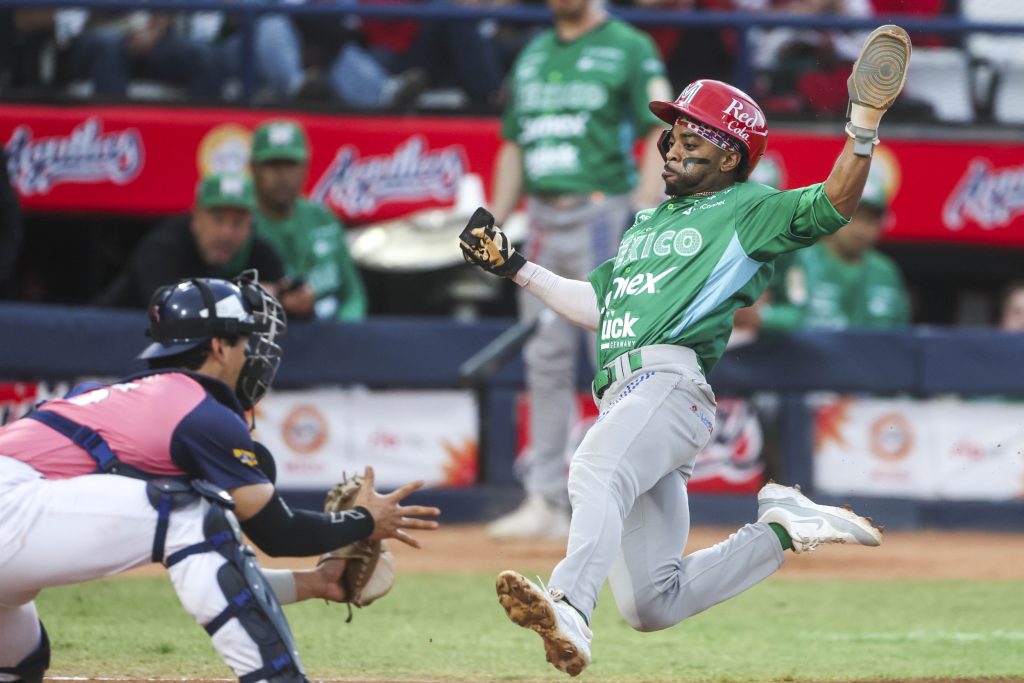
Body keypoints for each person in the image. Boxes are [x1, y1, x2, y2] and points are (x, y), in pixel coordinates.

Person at [460, 24, 910, 677]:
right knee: (650, 601)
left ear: (729, 156)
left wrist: (863, 121)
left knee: (591, 470)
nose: (668, 145)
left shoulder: (748, 208)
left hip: (669, 382)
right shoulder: (648, 221)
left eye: (689, 136)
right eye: (669, 134)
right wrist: (515, 267)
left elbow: (836, 201)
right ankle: (784, 529)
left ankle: (570, 607)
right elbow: (599, 305)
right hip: (629, 392)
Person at [0, 272, 440, 683]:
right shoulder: (198, 408)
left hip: (15, 522)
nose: (250, 353)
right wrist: (366, 520)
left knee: (21, 661)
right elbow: (279, 533)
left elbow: (217, 562)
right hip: (10, 506)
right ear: (218, 347)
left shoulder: (121, 396)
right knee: (192, 515)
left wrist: (318, 583)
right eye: (244, 341)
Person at [484, 0, 674, 540]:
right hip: (541, 218)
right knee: (543, 357)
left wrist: (643, 210)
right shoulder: (534, 53)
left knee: (615, 354)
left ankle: (626, 499)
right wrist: (493, 221)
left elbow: (662, 134)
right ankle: (544, 499)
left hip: (602, 214)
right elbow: (514, 143)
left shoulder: (630, 46)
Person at [744, 175, 911, 333]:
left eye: (869, 220)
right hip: (808, 360)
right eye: (852, 216)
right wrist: (764, 317)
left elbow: (902, 336)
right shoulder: (801, 257)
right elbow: (788, 313)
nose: (860, 229)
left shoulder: (887, 271)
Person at [95, 172, 286, 309]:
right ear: (196, 217)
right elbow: (169, 306)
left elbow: (281, 301)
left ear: (250, 225)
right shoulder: (163, 248)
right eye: (218, 219)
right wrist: (245, 298)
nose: (226, 234)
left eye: (237, 223)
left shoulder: (261, 254)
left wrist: (292, 302)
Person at [250, 120, 368, 321]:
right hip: (266, 340)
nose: (283, 175)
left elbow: (353, 295)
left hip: (329, 336)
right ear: (253, 169)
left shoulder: (323, 218)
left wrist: (345, 331)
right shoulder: (240, 226)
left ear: (305, 167)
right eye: (273, 165)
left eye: (290, 165)